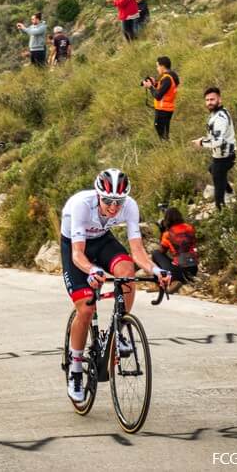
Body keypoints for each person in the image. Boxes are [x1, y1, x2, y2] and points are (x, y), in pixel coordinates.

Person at [61, 169, 170, 402]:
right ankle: (76, 368)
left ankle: (119, 327)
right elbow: (77, 255)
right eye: (108, 201)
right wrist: (92, 269)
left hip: (102, 240)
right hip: (75, 245)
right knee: (87, 309)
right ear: (98, 195)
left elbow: (137, 251)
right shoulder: (82, 205)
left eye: (118, 202)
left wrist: (156, 270)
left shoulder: (129, 206)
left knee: (127, 271)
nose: (113, 207)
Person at [192, 87, 236, 210]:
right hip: (226, 154)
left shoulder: (220, 118)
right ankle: (228, 188)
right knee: (212, 169)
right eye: (207, 100)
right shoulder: (218, 113)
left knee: (218, 195)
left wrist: (201, 142)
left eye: (212, 99)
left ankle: (222, 215)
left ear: (219, 100)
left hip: (224, 157)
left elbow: (217, 141)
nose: (209, 102)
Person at [154, 206, 199, 291]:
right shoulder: (190, 228)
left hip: (179, 271)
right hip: (194, 269)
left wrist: (162, 231)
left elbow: (162, 251)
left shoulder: (167, 234)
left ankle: (162, 283)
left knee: (156, 253)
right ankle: (183, 279)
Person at [142, 56, 179, 140]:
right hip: (166, 108)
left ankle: (166, 148)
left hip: (163, 109)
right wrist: (154, 83)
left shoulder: (167, 79)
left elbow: (158, 96)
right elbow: (164, 90)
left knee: (163, 135)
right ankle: (167, 147)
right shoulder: (169, 76)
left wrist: (150, 87)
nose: (157, 68)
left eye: (157, 66)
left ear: (162, 66)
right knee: (164, 133)